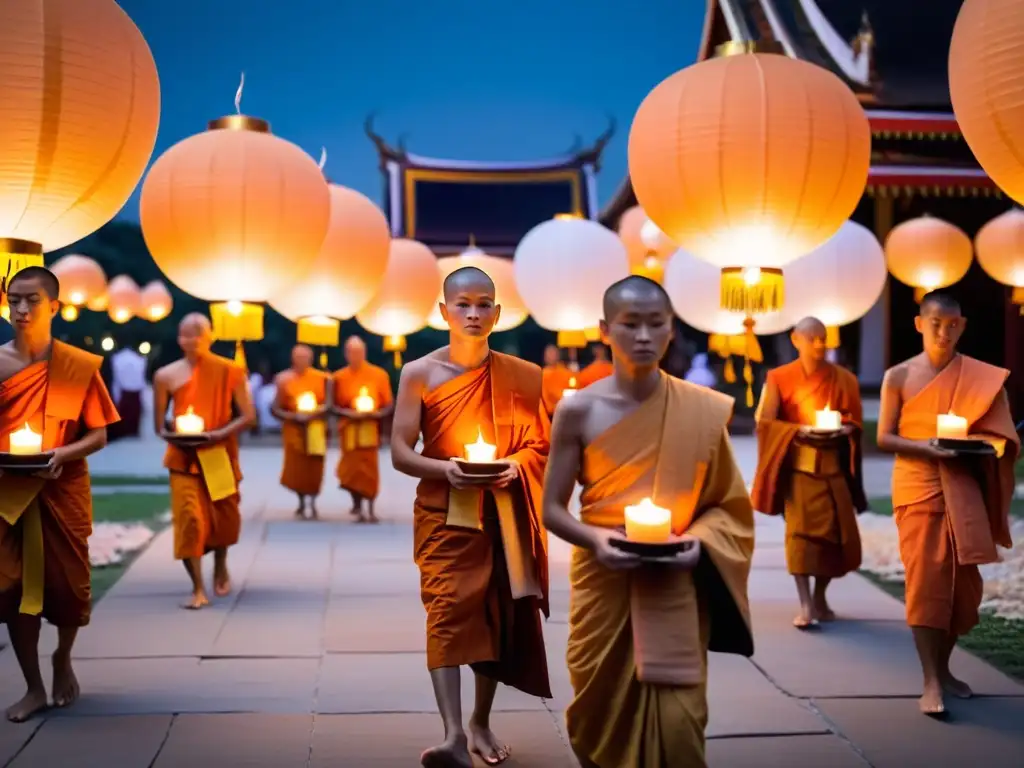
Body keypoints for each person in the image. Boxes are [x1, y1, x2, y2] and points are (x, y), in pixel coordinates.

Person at [542, 275, 754, 767]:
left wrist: (700, 543)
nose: (643, 336)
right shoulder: (578, 409)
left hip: (675, 581)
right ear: (604, 330)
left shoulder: (698, 410)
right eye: (629, 324)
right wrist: (596, 541)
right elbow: (552, 508)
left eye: (655, 324)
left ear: (671, 329)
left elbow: (728, 506)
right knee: (600, 714)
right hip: (605, 580)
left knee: (679, 724)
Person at [391, 266, 550, 767]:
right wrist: (448, 471)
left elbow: (540, 446)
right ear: (444, 311)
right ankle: (452, 734)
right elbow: (399, 451)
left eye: (484, 304)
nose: (474, 313)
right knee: (445, 612)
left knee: (494, 614)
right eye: (463, 304)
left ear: (498, 314)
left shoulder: (522, 376)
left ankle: (480, 720)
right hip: (444, 512)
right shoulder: (419, 372)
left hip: (503, 513)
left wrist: (513, 467)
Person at [877, 292, 1019, 717]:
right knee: (926, 584)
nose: (944, 331)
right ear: (920, 324)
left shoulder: (981, 378)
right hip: (918, 485)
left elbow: (1002, 437)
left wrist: (984, 446)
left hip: (962, 484)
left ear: (963, 326)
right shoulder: (897, 376)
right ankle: (930, 680)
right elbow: (884, 437)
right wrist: (928, 449)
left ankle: (945, 667)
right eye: (935, 323)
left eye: (952, 324)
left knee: (962, 587)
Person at [0, 267, 120, 722]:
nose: (22, 309)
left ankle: (62, 656)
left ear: (54, 306)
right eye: (14, 300)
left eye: (31, 300)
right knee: (11, 587)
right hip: (7, 493)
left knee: (70, 586)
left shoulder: (76, 365)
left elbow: (100, 434)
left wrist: (63, 453)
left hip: (61, 486)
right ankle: (32, 687)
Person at [750, 317, 866, 628]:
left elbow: (855, 422)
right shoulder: (779, 377)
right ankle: (805, 604)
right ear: (795, 339)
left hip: (833, 470)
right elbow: (765, 424)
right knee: (800, 537)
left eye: (823, 339)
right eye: (812, 338)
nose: (819, 344)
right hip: (800, 470)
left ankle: (820, 597)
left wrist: (844, 429)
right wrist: (798, 431)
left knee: (834, 538)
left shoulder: (844, 379)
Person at [152, 314, 255, 610]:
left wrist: (216, 434)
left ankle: (221, 563)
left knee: (223, 519)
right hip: (183, 458)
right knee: (190, 521)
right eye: (186, 334)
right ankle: (197, 587)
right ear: (178, 338)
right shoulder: (166, 375)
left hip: (218, 455)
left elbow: (248, 416)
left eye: (198, 334)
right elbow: (159, 426)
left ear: (210, 337)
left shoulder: (229, 370)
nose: (192, 340)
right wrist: (177, 434)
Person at [333, 336, 393, 523]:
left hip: (369, 430)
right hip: (349, 430)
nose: (355, 355)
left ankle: (371, 507)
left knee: (369, 470)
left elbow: (389, 405)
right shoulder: (339, 377)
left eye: (358, 351)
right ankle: (357, 504)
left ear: (365, 352)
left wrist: (374, 414)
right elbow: (332, 406)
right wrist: (349, 414)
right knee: (350, 470)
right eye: (351, 352)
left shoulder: (379, 375)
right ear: (346, 354)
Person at [272, 345, 331, 519]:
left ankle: (312, 502)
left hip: (315, 428)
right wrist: (293, 416)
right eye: (298, 357)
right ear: (292, 358)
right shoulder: (283, 379)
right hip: (293, 428)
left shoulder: (322, 378)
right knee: (297, 467)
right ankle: (301, 501)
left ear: (311, 359)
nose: (301, 361)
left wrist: (314, 413)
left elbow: (329, 405)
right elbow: (275, 408)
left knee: (314, 465)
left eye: (305, 357)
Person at [109, 345, 147, 439]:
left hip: (125, 389)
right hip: (135, 389)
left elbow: (117, 378)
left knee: (125, 411)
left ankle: (124, 431)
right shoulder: (139, 359)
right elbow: (141, 376)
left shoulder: (117, 358)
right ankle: (133, 431)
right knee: (134, 411)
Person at [540, 343, 572, 416]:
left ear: (558, 355)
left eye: (553, 353)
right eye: (548, 354)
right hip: (548, 413)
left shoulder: (566, 372)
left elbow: (571, 391)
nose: (550, 356)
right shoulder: (542, 374)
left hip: (565, 411)